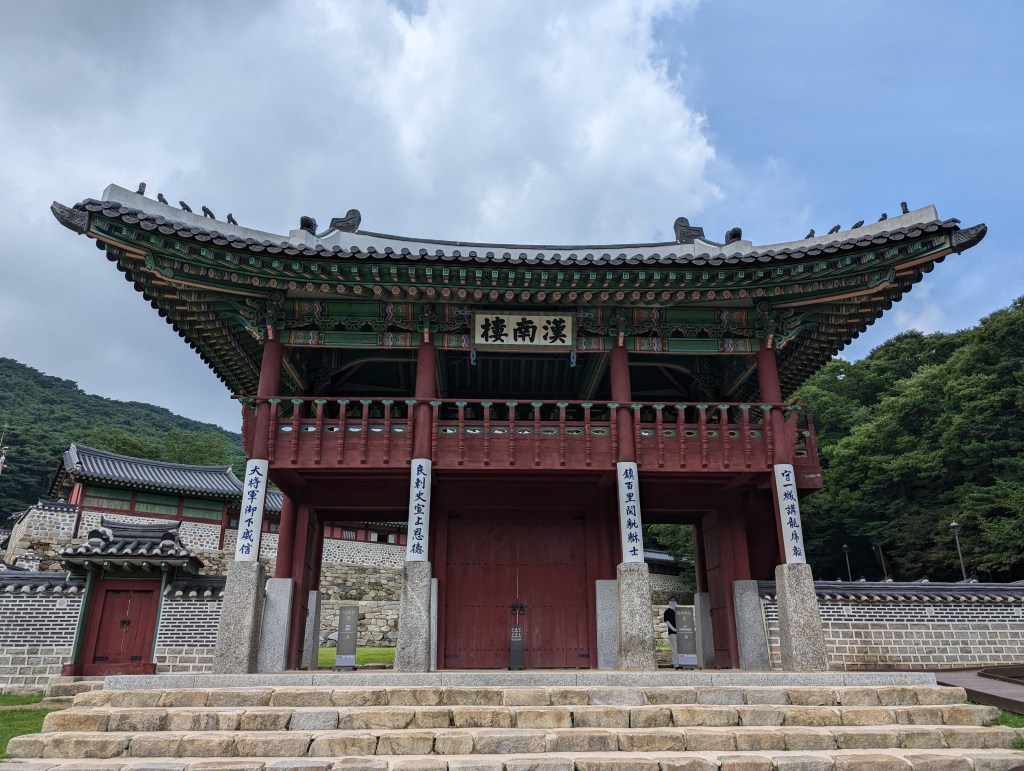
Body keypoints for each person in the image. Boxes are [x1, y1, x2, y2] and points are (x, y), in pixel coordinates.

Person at [664, 596, 679, 669]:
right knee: (675, 648)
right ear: (669, 601)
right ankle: (676, 663)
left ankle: (684, 662)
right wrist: (675, 630)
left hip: (682, 633)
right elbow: (667, 622)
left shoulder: (679, 610)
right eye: (671, 600)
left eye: (674, 600)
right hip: (673, 633)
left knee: (681, 648)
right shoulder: (667, 611)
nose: (673, 602)